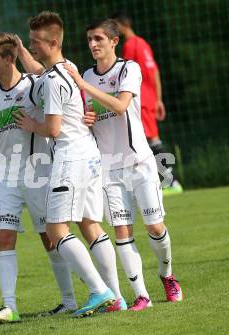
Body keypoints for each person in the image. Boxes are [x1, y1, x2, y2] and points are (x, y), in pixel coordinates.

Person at [0, 31, 79, 323]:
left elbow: (62, 107)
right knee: (5, 237)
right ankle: (8, 307)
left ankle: (71, 300)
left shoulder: (35, 85)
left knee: (51, 238)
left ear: (9, 58)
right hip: (4, 177)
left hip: (39, 173)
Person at [63, 18, 183, 311]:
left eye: (99, 39)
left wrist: (81, 85)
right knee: (122, 231)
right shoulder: (88, 76)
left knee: (155, 226)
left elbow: (119, 106)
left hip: (139, 161)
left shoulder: (128, 68)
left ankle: (167, 275)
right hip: (108, 167)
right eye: (90, 39)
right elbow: (92, 116)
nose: (93, 44)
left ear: (113, 42)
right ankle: (141, 295)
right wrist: (87, 120)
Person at [15, 17, 126, 312]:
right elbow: (39, 71)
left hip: (70, 157)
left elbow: (52, 129)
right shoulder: (68, 68)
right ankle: (116, 297)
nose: (32, 46)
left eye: (35, 42)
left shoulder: (53, 80)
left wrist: (30, 124)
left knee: (55, 230)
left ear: (52, 43)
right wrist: (21, 50)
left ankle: (99, 291)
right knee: (90, 224)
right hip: (88, 154)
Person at [111, 11, 183, 195]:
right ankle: (163, 182)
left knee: (146, 141)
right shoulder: (143, 43)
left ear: (122, 25)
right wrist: (158, 99)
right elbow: (155, 72)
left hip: (139, 100)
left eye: (115, 26)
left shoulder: (130, 45)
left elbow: (124, 73)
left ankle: (170, 182)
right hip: (149, 99)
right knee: (148, 140)